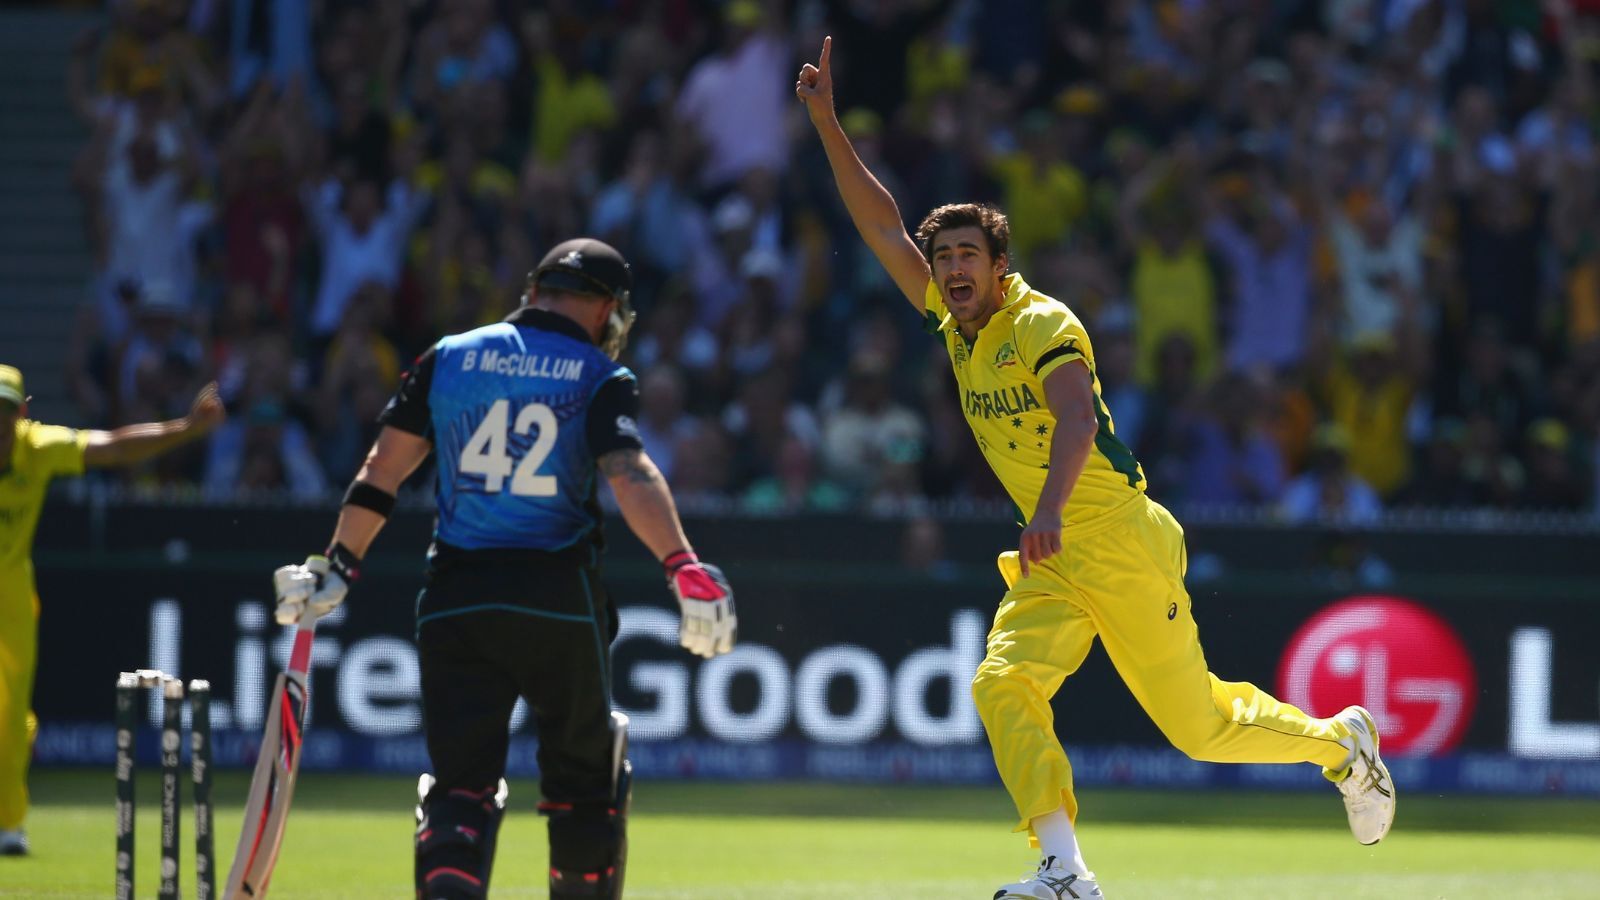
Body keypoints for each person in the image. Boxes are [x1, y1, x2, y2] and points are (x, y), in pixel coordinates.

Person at [797, 38, 1395, 899]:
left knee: (1201, 729)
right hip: (1052, 557)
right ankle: (1064, 870)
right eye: (945, 258)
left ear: (1000, 268)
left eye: (969, 255)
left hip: (1114, 537)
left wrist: (1045, 510)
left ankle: (1341, 744)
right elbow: (881, 223)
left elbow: (1076, 417)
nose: (953, 268)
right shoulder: (948, 322)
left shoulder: (1042, 323)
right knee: (1001, 686)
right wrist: (826, 121)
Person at [269, 238, 735, 899]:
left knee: (460, 789)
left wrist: (338, 565)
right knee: (586, 786)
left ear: (535, 291)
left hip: (457, 597)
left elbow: (382, 472)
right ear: (605, 309)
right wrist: (680, 564)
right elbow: (627, 471)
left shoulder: (449, 356)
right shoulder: (598, 375)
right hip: (555, 598)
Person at [0, 368, 224, 855]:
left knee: (10, 713)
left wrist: (185, 429)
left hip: (10, 592)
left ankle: (8, 824)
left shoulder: (37, 448)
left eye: (4, 414)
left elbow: (118, 447)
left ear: (22, 413)